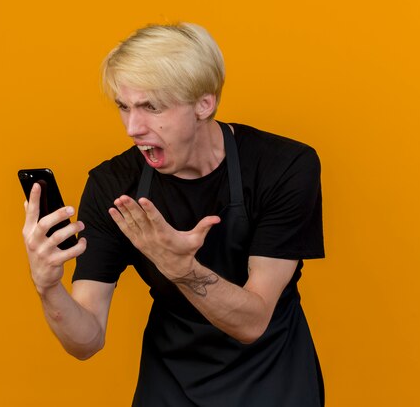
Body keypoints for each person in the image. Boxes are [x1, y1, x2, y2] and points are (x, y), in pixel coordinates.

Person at [22, 23, 325, 406]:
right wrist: (48, 288)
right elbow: (86, 341)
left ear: (204, 103)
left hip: (273, 377)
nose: (133, 127)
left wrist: (180, 267)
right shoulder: (113, 185)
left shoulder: (283, 166)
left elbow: (252, 322)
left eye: (152, 106)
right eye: (123, 106)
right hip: (170, 384)